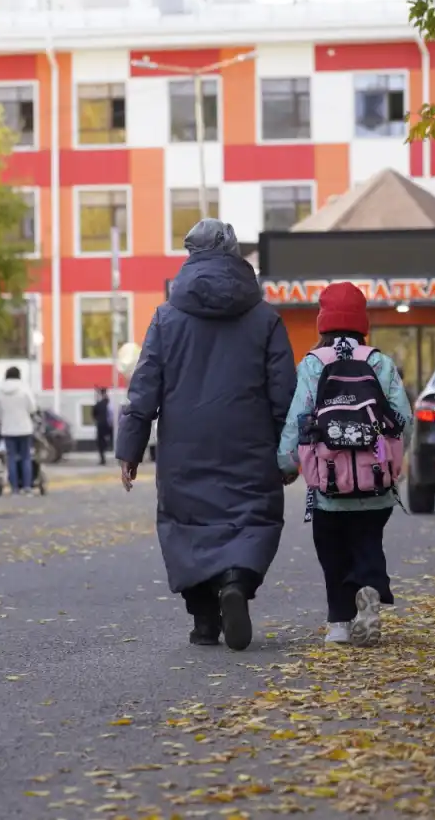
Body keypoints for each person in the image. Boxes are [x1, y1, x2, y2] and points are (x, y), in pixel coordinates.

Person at [116, 218, 297, 652]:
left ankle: (204, 622)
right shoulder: (265, 318)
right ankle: (236, 580)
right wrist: (289, 451)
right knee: (250, 517)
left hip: (185, 447)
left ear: (190, 254)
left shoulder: (166, 317)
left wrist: (130, 447)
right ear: (235, 253)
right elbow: (284, 392)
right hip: (249, 443)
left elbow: (145, 387)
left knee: (188, 525)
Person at [277, 282, 413, 647]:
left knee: (332, 548)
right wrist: (393, 466)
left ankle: (339, 622)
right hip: (375, 483)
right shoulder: (378, 362)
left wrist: (287, 464)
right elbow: (402, 417)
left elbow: (298, 418)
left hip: (328, 484)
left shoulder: (313, 363)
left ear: (323, 321)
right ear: (361, 321)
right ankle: (369, 586)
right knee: (368, 540)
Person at [0, 367, 38, 495]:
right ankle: (27, 487)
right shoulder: (24, 389)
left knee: (11, 458)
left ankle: (14, 488)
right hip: (25, 428)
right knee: (26, 457)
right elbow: (32, 408)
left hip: (8, 429)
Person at [93, 387, 113, 465]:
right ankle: (119, 459)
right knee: (114, 441)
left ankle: (102, 459)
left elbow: (94, 414)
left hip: (101, 424)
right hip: (110, 425)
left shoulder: (98, 404)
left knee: (100, 442)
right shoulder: (109, 403)